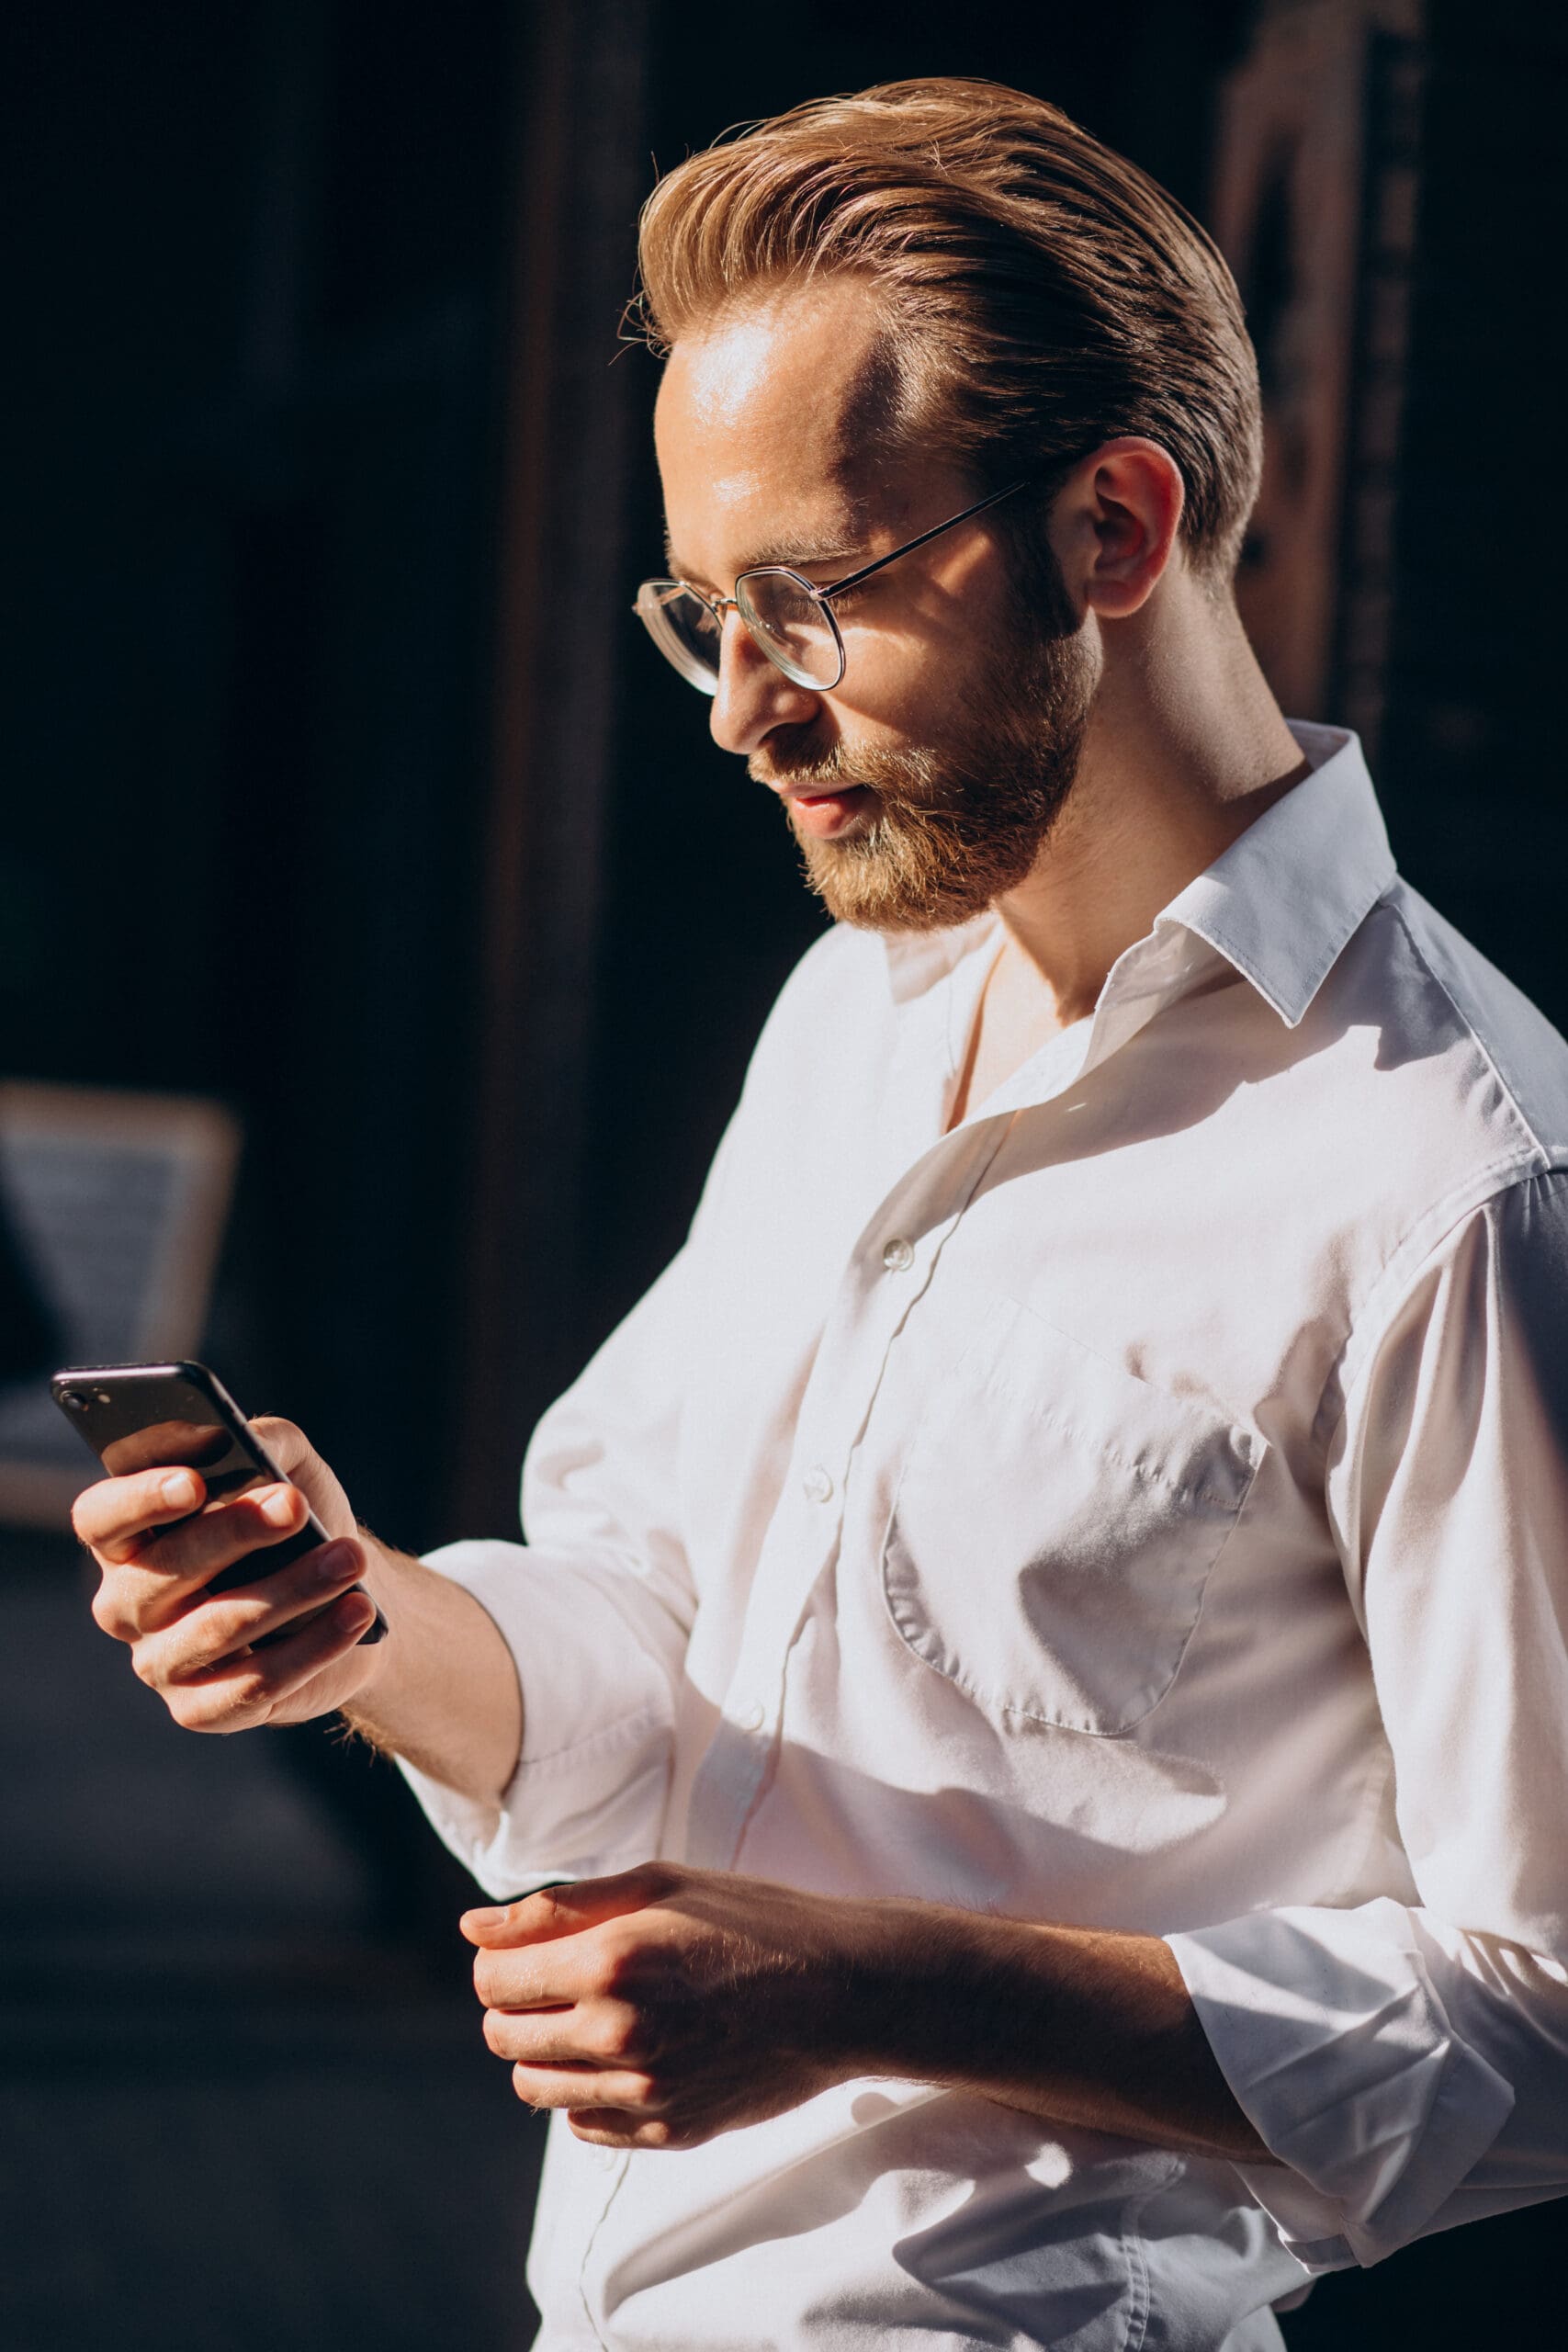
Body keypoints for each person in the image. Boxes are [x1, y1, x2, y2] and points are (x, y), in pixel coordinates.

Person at [75, 78, 1568, 2352]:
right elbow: (668, 1630)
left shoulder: (1459, 1177)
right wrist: (361, 1618)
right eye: (699, 614)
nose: (744, 711)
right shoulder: (851, 1012)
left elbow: (1544, 2020)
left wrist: (873, 1983)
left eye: (809, 600)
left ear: (1110, 521)